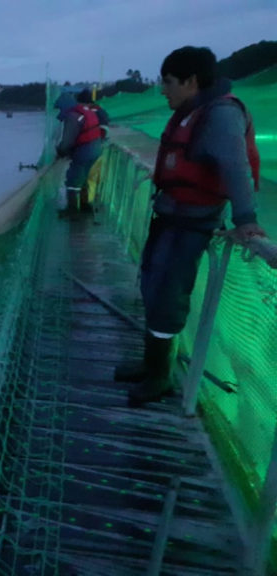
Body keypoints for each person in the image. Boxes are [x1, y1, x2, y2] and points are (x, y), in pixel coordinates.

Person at [114, 46, 265, 407]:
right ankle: (152, 364)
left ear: (191, 81)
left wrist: (246, 220)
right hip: (168, 220)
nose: (163, 90)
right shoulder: (190, 111)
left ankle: (161, 377)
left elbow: (235, 167)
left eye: (168, 82)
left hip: (190, 227)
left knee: (168, 296)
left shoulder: (220, 116)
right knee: (152, 287)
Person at [54, 92, 103, 216]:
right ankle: (85, 206)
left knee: (72, 178)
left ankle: (72, 210)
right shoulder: (86, 112)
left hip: (85, 151)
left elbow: (68, 140)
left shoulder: (73, 116)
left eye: (60, 108)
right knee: (84, 176)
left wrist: (61, 151)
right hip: (96, 149)